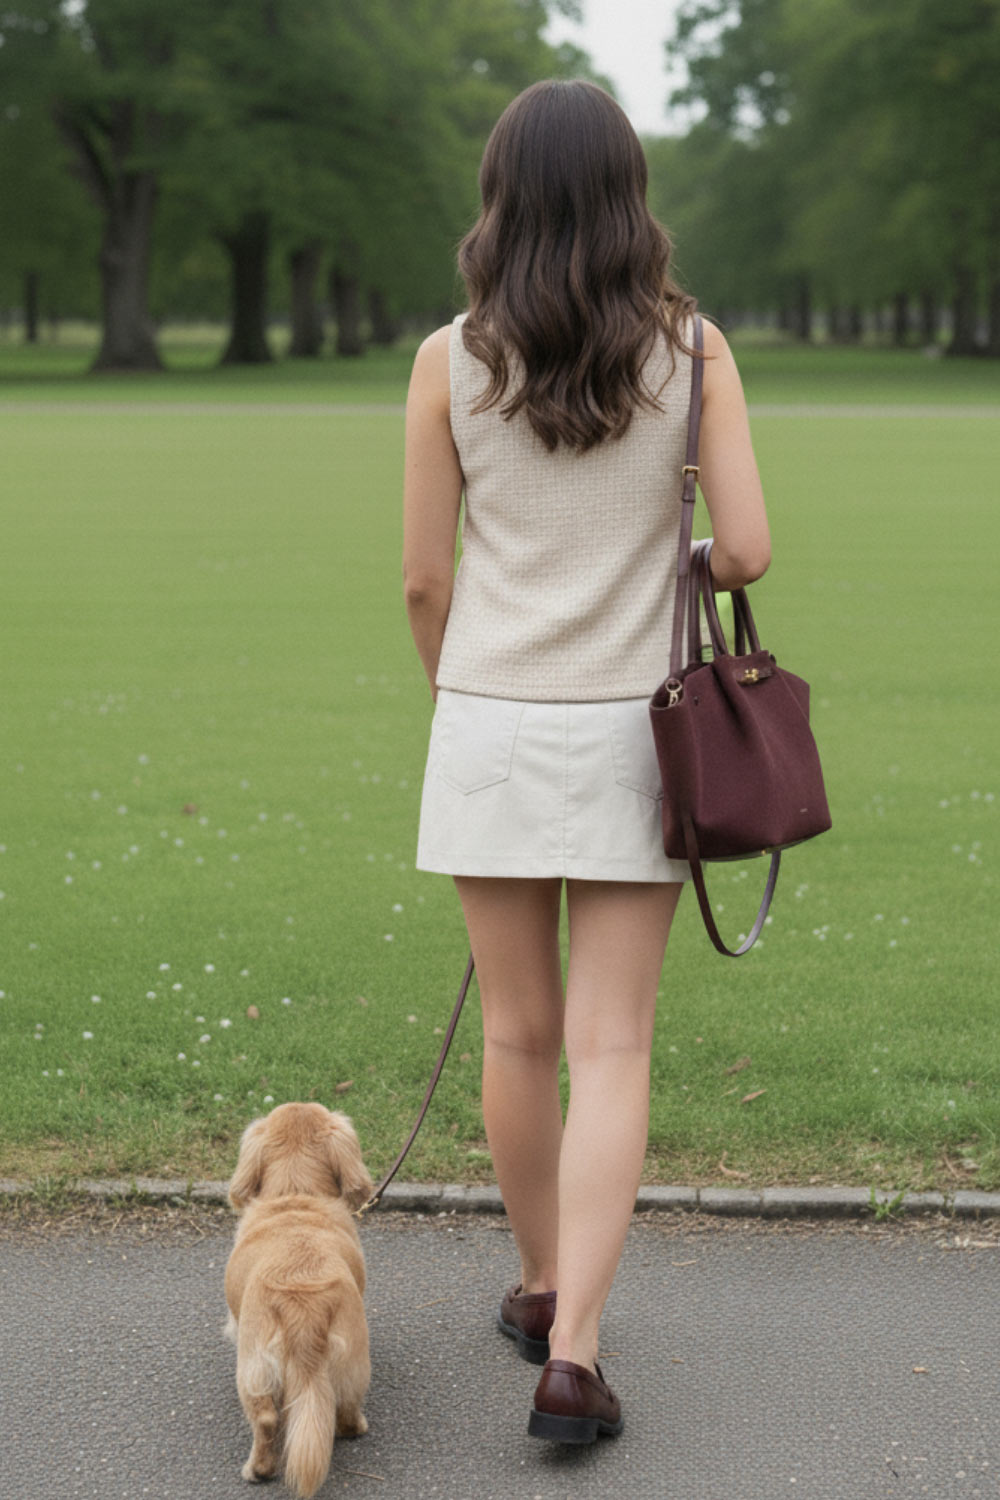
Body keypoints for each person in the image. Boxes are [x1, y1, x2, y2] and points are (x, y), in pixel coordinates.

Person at [402, 79, 770, 1444]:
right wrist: (668, 541)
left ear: (500, 194)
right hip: (637, 730)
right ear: (631, 192)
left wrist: (472, 703)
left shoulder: (450, 357)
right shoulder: (695, 349)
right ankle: (577, 1351)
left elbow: (424, 580)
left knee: (519, 1034)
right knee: (614, 1046)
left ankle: (541, 1281)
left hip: (489, 718)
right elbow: (744, 553)